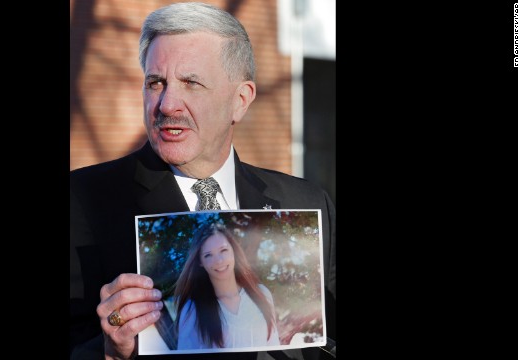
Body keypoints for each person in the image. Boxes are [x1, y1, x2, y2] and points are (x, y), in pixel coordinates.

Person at [70, 2, 336, 360]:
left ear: (240, 101)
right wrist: (110, 352)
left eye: (191, 83)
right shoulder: (82, 202)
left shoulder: (307, 202)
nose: (166, 104)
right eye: (155, 82)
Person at [175, 223, 280, 350]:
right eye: (208, 255)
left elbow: (273, 345)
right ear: (200, 262)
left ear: (233, 251)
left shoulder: (262, 294)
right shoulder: (192, 309)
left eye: (223, 250)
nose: (219, 261)